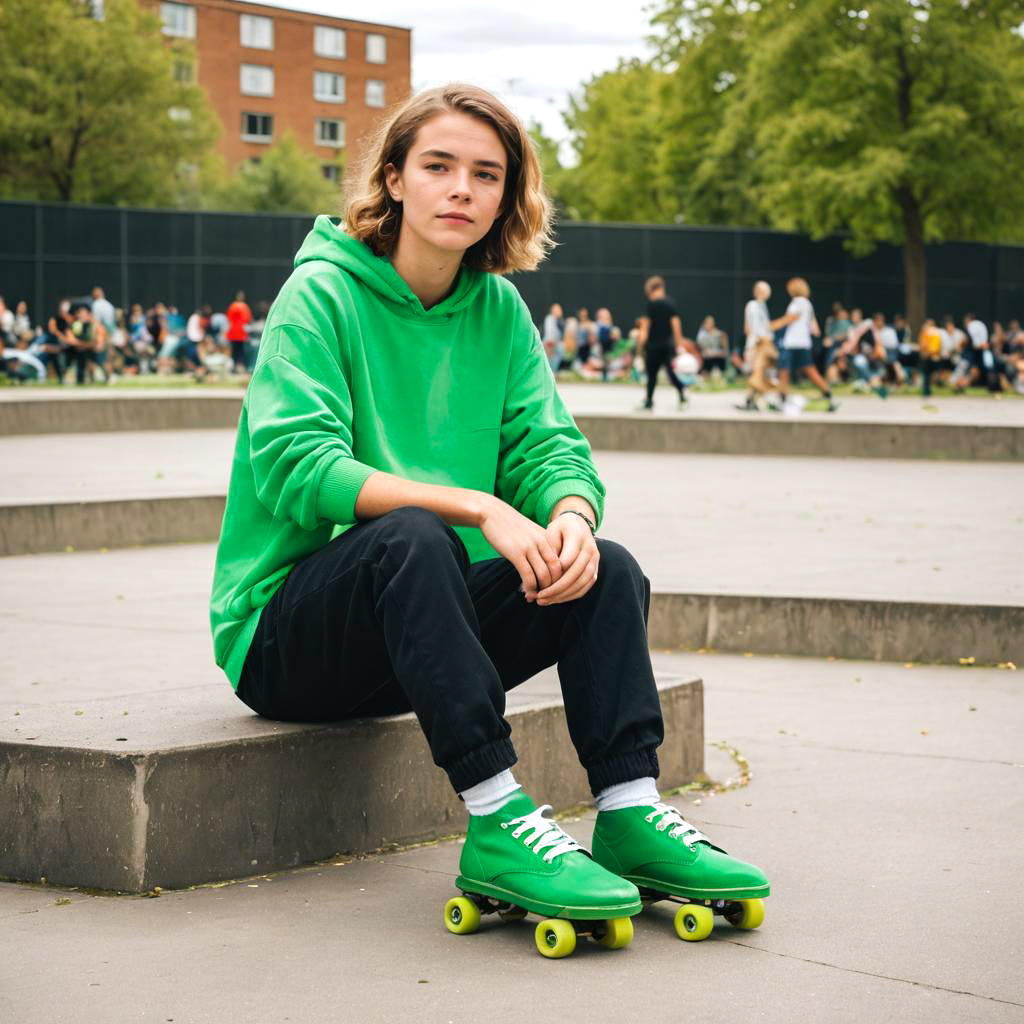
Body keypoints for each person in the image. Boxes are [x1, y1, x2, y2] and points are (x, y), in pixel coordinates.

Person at [209, 83, 768, 936]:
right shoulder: (320, 296)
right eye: (438, 166)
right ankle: (499, 816)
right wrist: (476, 507)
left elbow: (550, 451)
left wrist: (572, 518)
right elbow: (297, 466)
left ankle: (628, 809)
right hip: (290, 640)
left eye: (486, 174)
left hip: (419, 635)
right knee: (413, 535)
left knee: (605, 567)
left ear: (508, 195)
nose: (461, 188)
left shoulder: (499, 311)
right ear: (393, 178)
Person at [769, 278, 837, 412]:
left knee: (783, 371)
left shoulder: (797, 303)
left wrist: (770, 326)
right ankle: (827, 393)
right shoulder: (807, 303)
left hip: (792, 343)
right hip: (803, 343)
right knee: (809, 370)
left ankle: (782, 399)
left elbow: (789, 319)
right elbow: (814, 326)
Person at [636, 276, 693, 411]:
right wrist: (679, 344)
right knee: (670, 372)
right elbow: (676, 325)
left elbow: (645, 327)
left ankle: (649, 401)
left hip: (653, 345)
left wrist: (640, 347)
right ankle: (682, 392)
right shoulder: (670, 303)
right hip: (667, 345)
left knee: (652, 374)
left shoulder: (651, 305)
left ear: (651, 289)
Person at [737, 280, 775, 411]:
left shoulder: (762, 306)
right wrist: (754, 343)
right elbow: (749, 327)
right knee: (755, 373)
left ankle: (752, 400)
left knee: (758, 374)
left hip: (763, 344)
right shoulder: (753, 305)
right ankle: (751, 400)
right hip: (756, 344)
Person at [226, 290, 253, 375]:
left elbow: (229, 318)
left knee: (234, 351)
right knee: (240, 351)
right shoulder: (244, 307)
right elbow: (248, 319)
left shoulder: (232, 306)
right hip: (240, 333)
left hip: (233, 332)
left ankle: (235, 367)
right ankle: (239, 366)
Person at [695, 315, 728, 379]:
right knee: (707, 355)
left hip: (716, 355)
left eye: (711, 323)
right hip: (706, 356)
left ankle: (722, 373)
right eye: (708, 323)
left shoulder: (717, 333)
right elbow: (701, 347)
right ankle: (705, 373)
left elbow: (724, 345)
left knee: (720, 355)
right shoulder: (702, 334)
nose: (710, 325)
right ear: (704, 324)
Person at [918, 317, 942, 397]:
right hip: (935, 355)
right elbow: (939, 345)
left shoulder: (926, 331)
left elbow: (923, 344)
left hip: (928, 355)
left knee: (926, 375)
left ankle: (926, 391)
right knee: (931, 374)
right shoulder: (937, 331)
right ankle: (929, 390)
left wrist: (923, 353)